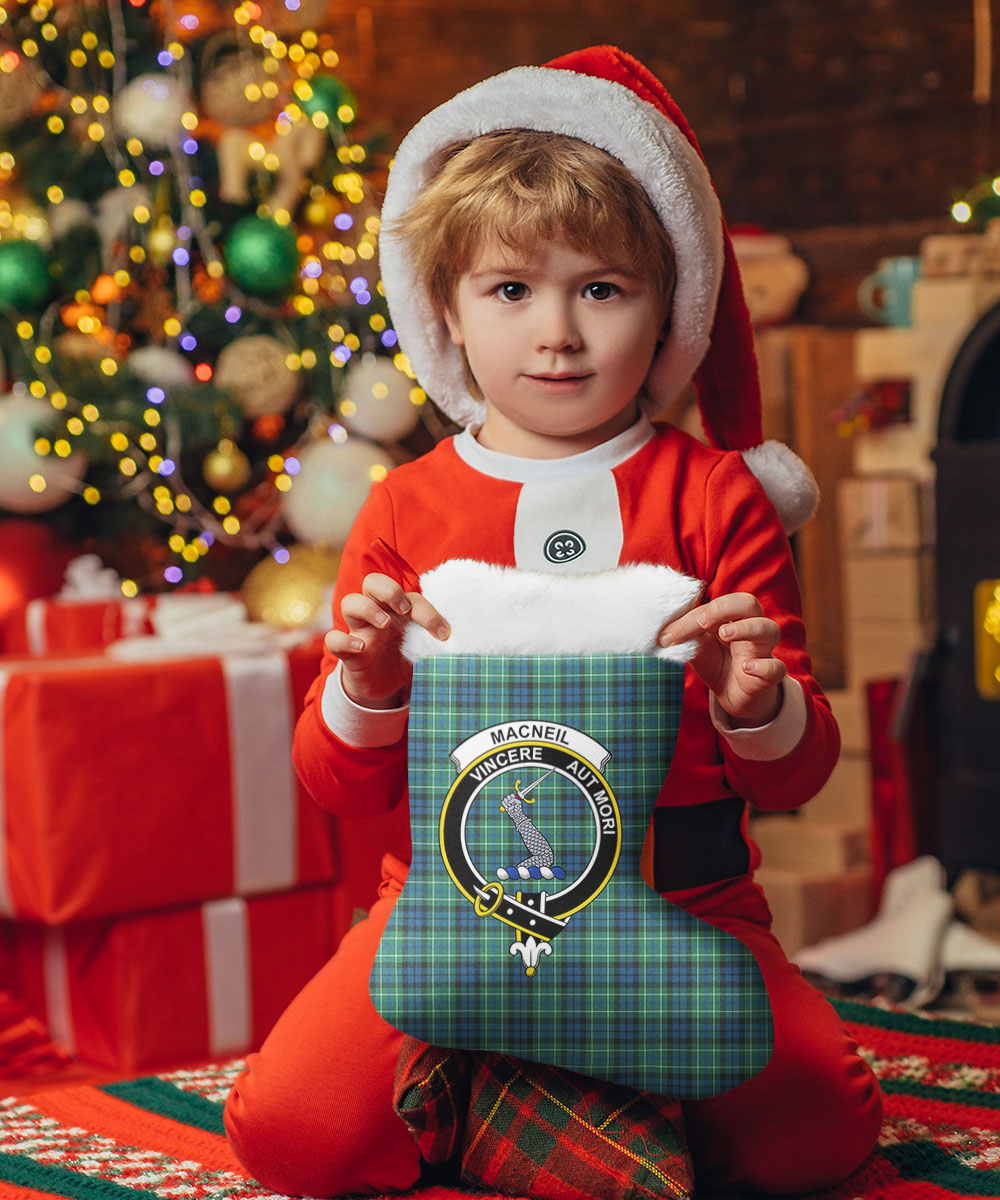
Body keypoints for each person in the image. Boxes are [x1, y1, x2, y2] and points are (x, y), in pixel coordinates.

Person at [224, 45, 882, 1197]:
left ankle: (530, 1086)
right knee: (293, 1136)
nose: (558, 334)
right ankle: (536, 1085)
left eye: (602, 288)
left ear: (665, 303)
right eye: (512, 289)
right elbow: (339, 784)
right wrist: (369, 686)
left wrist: (760, 705)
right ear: (447, 310)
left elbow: (796, 779)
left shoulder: (716, 496)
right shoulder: (407, 504)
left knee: (817, 1137)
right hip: (446, 903)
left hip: (686, 903)